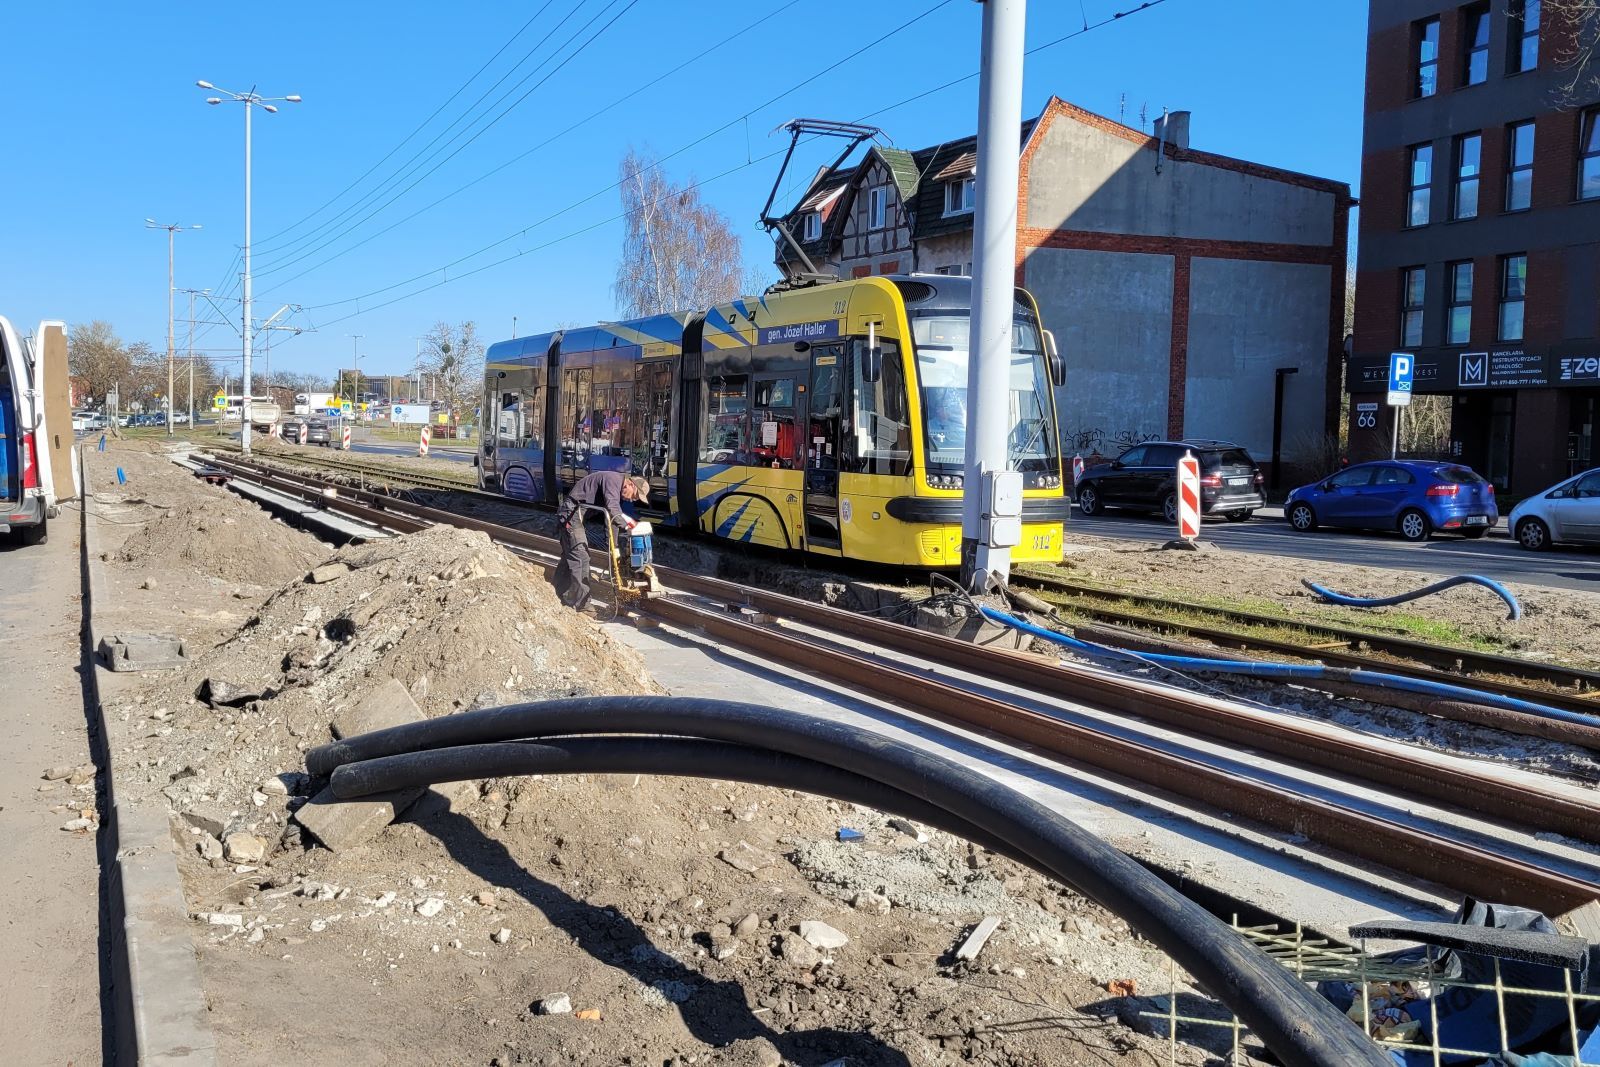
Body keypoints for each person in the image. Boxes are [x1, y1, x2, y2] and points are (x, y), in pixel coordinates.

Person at [553, 470, 648, 611]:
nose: (631, 500)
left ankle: (556, 592)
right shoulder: (613, 480)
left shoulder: (616, 487)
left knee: (570, 556)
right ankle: (582, 605)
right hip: (570, 514)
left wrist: (614, 547)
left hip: (576, 515)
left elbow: (611, 520)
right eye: (634, 497)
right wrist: (630, 528)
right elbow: (614, 511)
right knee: (581, 556)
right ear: (630, 485)